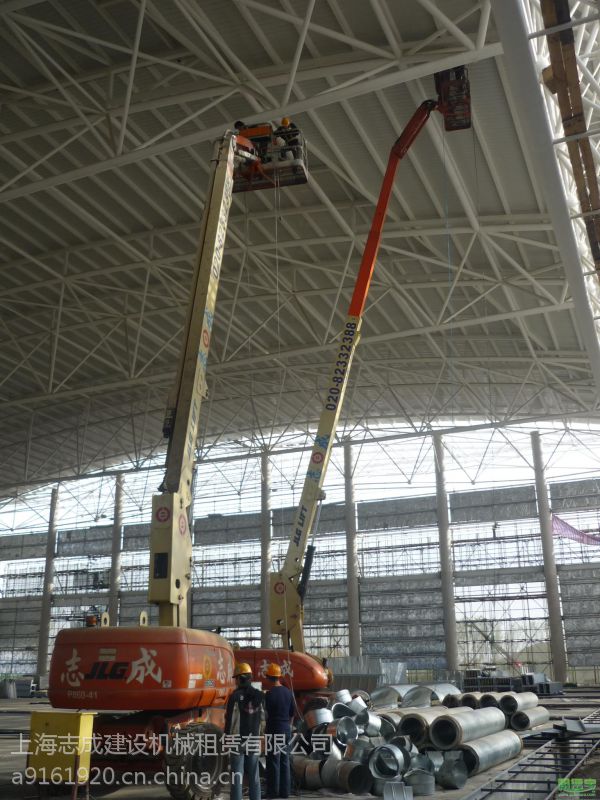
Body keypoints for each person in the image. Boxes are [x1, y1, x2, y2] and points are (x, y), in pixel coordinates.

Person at [225, 662, 264, 800]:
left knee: (237, 775)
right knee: (254, 774)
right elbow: (263, 718)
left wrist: (226, 737)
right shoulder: (259, 696)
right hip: (253, 739)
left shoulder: (235, 697)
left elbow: (230, 720)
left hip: (237, 740)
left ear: (240, 679)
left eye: (236, 678)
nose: (235, 681)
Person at [264, 663, 294, 799]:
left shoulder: (269, 695)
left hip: (274, 731)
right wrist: (288, 726)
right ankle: (285, 792)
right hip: (286, 730)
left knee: (273, 761)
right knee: (284, 760)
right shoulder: (288, 693)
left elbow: (266, 714)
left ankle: (272, 792)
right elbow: (292, 713)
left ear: (269, 677)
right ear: (279, 677)